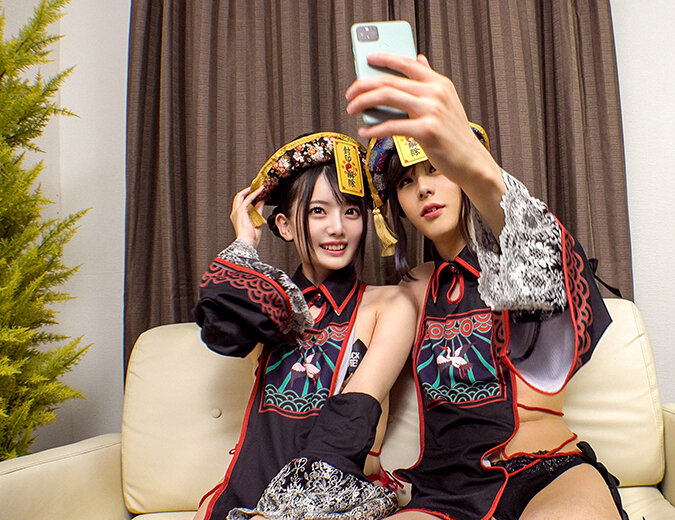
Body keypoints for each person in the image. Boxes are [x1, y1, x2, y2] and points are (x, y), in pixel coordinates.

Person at [345, 53, 629, 520]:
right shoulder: (412, 290)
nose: (423, 189)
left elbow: (544, 258)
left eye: (436, 169)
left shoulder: (517, 254)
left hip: (547, 471)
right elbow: (365, 390)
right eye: (406, 182)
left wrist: (474, 166)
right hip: (446, 491)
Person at [192, 132, 417, 520]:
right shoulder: (274, 300)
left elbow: (353, 416)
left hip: (334, 490)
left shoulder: (390, 304)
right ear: (284, 225)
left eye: (351, 211)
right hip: (248, 488)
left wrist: (281, 512)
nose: (337, 228)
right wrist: (244, 243)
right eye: (317, 212)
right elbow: (220, 330)